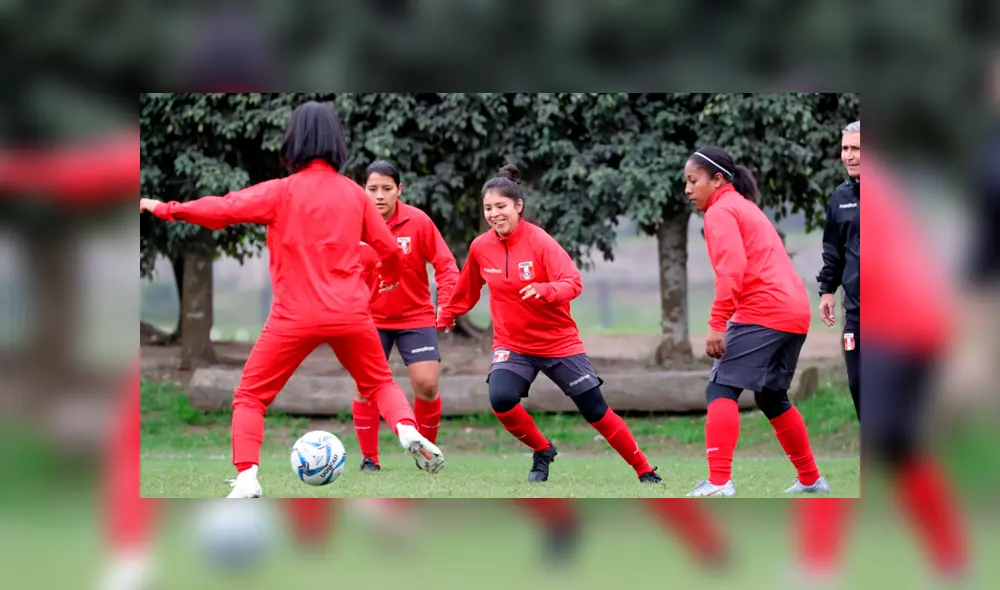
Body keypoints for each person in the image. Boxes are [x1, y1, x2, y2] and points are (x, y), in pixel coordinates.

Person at [139, 101, 444, 498]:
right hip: (350, 313)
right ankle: (406, 429)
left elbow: (224, 210)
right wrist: (372, 278)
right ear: (337, 142)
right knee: (379, 382)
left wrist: (166, 208)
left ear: (293, 140)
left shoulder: (281, 192)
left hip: (294, 316)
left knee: (250, 396)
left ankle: (247, 478)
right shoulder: (356, 195)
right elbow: (388, 251)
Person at [437, 164, 661, 484]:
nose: (494, 214)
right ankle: (543, 450)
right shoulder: (480, 247)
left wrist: (545, 290)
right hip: (512, 344)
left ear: (518, 206)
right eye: (488, 208)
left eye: (501, 206)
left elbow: (572, 282)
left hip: (558, 342)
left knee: (596, 411)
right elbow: (466, 291)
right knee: (501, 399)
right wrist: (445, 315)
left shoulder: (540, 241)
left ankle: (645, 470)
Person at [682, 146, 827, 498]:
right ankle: (811, 479)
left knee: (721, 388)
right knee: (772, 397)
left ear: (717, 180)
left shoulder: (720, 212)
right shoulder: (743, 206)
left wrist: (717, 323)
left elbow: (733, 271)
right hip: (794, 311)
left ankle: (718, 483)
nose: (687, 189)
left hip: (765, 310)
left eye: (693, 180)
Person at [352, 160, 459, 472]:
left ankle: (426, 456)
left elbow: (446, 265)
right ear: (363, 190)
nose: (380, 195)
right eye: (373, 189)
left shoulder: (418, 221)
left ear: (400, 189)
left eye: (387, 188)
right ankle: (370, 460)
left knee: (426, 385)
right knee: (365, 387)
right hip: (367, 318)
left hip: (416, 316)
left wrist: (448, 302)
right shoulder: (352, 224)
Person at [817, 121, 861, 420]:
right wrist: (826, 290)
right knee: (859, 385)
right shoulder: (840, 197)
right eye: (845, 148)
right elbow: (834, 250)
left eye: (856, 148)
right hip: (856, 311)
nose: (849, 155)